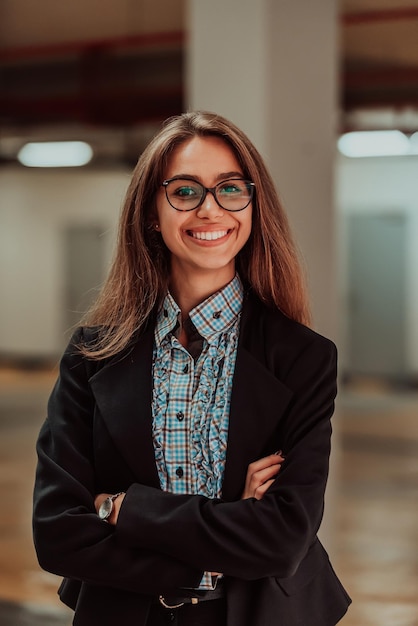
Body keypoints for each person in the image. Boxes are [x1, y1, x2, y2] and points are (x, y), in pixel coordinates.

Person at [33, 110, 351, 626]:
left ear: (252, 207)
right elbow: (57, 534)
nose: (211, 210)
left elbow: (281, 538)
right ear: (152, 213)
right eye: (185, 191)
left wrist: (123, 510)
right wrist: (229, 527)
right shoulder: (92, 356)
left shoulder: (304, 358)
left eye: (230, 189)